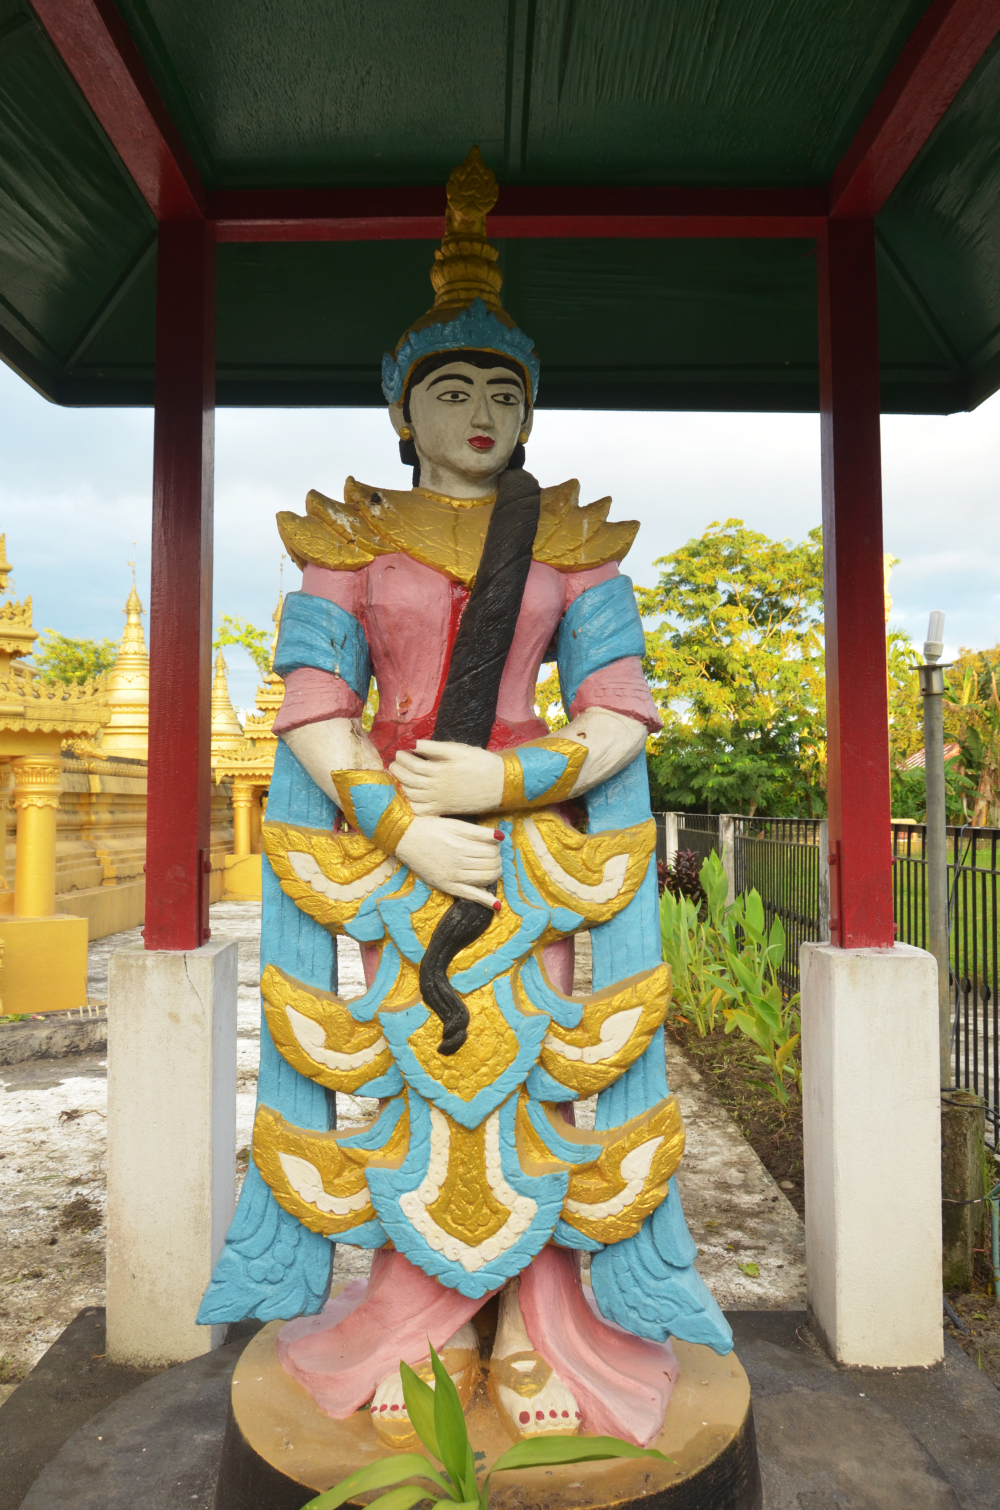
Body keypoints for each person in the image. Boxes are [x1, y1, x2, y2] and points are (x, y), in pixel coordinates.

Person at [200, 149, 731, 1449]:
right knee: (415, 1074)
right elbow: (314, 713)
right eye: (454, 386)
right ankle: (418, 1321)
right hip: (395, 852)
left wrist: (504, 777)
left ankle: (541, 1323)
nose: (484, 409)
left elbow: (621, 710)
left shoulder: (570, 545)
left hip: (527, 853)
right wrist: (397, 821)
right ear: (403, 410)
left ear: (533, 412)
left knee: (539, 1079)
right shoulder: (346, 545)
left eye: (506, 389)